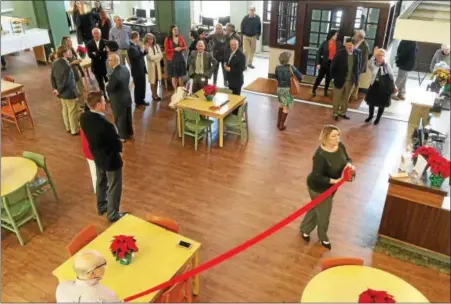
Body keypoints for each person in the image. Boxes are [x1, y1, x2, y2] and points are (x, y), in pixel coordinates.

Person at [300, 125, 355, 250]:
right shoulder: (319, 156)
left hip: (332, 186)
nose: (337, 138)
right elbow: (316, 176)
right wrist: (334, 181)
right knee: (324, 214)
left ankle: (305, 229)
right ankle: (323, 237)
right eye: (334, 136)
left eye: (338, 135)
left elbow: (347, 159)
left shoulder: (340, 146)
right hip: (319, 188)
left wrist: (350, 165)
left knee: (316, 207)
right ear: (326, 138)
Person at [80, 92, 128, 222]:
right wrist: (119, 145)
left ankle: (101, 206)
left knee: (101, 181)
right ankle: (113, 214)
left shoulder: (84, 117)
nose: (105, 103)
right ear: (97, 105)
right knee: (114, 186)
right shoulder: (106, 125)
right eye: (103, 101)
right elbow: (116, 144)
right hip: (110, 160)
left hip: (97, 156)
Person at [50, 45, 80, 135]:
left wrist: (55, 88)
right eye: (67, 51)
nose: (69, 52)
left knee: (65, 110)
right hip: (69, 92)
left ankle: (68, 127)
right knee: (73, 111)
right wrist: (59, 90)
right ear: (64, 53)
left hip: (61, 93)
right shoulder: (67, 66)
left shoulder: (55, 63)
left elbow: (52, 77)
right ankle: (74, 129)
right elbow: (66, 82)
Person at [330, 38, 362, 121]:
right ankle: (335, 113)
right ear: (345, 45)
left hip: (350, 81)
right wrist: (333, 77)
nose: (349, 46)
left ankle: (342, 113)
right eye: (347, 45)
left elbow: (358, 66)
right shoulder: (340, 53)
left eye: (351, 45)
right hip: (339, 79)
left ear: (354, 46)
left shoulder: (357, 53)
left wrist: (356, 79)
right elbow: (333, 66)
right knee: (337, 98)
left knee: (346, 98)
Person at [365, 48, 396, 125]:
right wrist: (373, 55)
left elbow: (392, 76)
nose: (380, 56)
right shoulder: (373, 63)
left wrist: (394, 86)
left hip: (384, 87)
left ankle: (378, 118)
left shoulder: (387, 65)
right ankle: (370, 116)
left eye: (382, 55)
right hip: (374, 85)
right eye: (378, 55)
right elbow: (368, 64)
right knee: (371, 102)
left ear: (384, 56)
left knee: (381, 104)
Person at [107, 53, 134, 141]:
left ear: (113, 62)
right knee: (128, 116)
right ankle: (129, 132)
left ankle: (122, 136)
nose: (108, 62)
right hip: (126, 96)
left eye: (109, 60)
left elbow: (110, 88)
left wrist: (107, 85)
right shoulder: (125, 68)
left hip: (118, 100)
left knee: (120, 118)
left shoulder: (114, 74)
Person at [275, 52, 303, 131]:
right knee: (285, 107)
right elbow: (300, 76)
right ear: (288, 59)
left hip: (280, 88)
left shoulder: (277, 67)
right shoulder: (291, 67)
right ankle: (281, 125)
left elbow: (276, 77)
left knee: (281, 104)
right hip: (288, 89)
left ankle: (278, 122)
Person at [61, 36, 88, 111]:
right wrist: (73, 62)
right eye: (69, 41)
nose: (71, 42)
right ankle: (78, 105)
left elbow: (76, 57)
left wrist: (78, 59)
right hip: (70, 73)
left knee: (81, 87)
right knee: (75, 89)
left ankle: (83, 104)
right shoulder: (63, 52)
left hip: (77, 70)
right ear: (65, 43)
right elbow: (64, 65)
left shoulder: (72, 49)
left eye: (71, 41)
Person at [312, 30, 340, 97]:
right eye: (335, 35)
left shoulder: (338, 44)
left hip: (332, 64)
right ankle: (314, 90)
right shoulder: (324, 43)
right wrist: (318, 63)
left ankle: (325, 91)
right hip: (324, 64)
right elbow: (318, 53)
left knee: (328, 78)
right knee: (319, 78)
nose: (336, 36)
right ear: (332, 35)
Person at [128, 31, 149, 108]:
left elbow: (141, 54)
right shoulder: (130, 47)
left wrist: (145, 50)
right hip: (136, 71)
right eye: (138, 37)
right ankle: (138, 103)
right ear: (135, 37)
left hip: (141, 69)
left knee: (142, 86)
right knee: (138, 87)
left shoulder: (136, 45)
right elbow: (136, 56)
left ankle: (142, 100)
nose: (139, 38)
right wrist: (142, 49)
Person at [164, 25, 187, 90]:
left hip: (180, 59)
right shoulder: (167, 39)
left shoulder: (180, 38)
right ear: (171, 31)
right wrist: (174, 49)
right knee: (174, 77)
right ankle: (175, 91)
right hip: (172, 60)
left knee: (181, 76)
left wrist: (181, 48)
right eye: (175, 29)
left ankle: (181, 91)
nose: (176, 31)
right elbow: (166, 50)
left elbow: (185, 47)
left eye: (177, 29)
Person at [87, 28, 108, 97]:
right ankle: (104, 96)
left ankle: (111, 95)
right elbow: (90, 55)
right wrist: (102, 52)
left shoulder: (105, 42)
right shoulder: (89, 43)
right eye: (95, 33)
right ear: (92, 34)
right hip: (96, 67)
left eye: (97, 33)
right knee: (100, 83)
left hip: (105, 66)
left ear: (100, 34)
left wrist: (95, 53)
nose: (96, 35)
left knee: (108, 82)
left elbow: (106, 53)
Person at [349, 29, 369, 102]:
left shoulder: (365, 45)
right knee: (352, 81)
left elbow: (365, 59)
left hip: (358, 67)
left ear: (360, 37)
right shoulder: (355, 42)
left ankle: (353, 97)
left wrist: (360, 70)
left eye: (356, 35)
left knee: (356, 82)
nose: (354, 36)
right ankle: (350, 95)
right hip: (353, 65)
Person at [80, 110, 97, 193]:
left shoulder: (83, 128)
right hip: (95, 154)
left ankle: (96, 189)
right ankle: (99, 190)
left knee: (94, 172)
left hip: (88, 153)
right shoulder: (93, 130)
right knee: (98, 173)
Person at [144, 33, 163, 101]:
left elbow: (161, 55)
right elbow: (151, 58)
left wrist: (156, 58)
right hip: (151, 67)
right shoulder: (146, 47)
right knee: (153, 81)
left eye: (151, 38)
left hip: (157, 65)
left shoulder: (157, 45)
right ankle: (153, 94)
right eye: (148, 39)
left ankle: (156, 94)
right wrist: (157, 57)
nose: (150, 40)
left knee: (157, 80)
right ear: (146, 40)